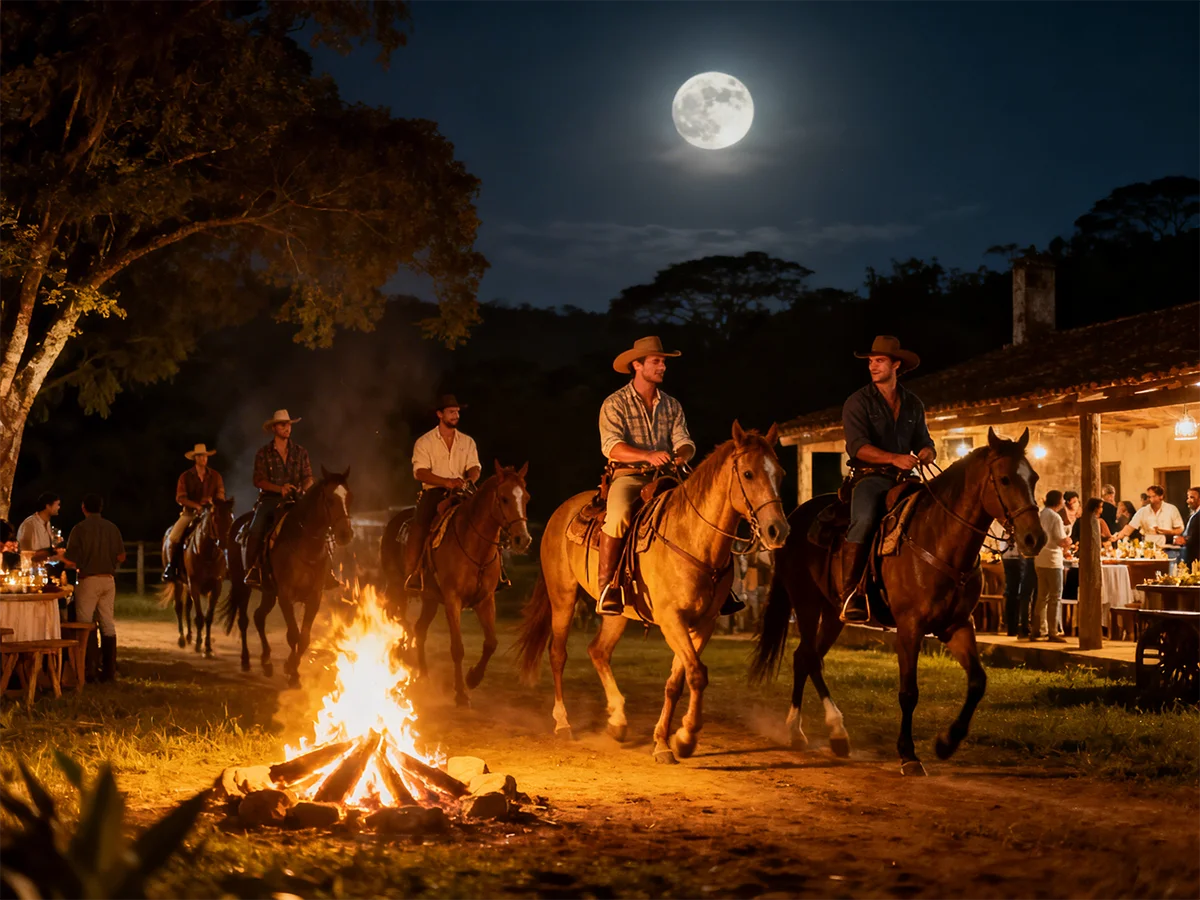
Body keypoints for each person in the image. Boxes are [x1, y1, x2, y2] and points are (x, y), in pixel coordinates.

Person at [597, 336, 696, 616]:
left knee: (703, 509)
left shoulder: (672, 405)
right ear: (637, 365)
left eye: (663, 362)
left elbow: (684, 440)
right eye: (657, 361)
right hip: (629, 477)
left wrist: (682, 455)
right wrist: (648, 455)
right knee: (617, 518)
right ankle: (608, 588)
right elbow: (611, 447)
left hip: (667, 476)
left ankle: (717, 585)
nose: (663, 366)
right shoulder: (615, 403)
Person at [839, 335, 936, 623]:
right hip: (870, 478)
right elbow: (858, 446)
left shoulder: (913, 404)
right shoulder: (857, 402)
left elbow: (924, 440)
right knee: (866, 519)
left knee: (937, 511)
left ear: (896, 364)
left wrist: (927, 451)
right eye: (870, 361)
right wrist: (894, 458)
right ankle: (851, 593)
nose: (872, 366)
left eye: (879, 360)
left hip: (907, 477)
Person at [404, 394, 482, 592]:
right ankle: (413, 573)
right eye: (451, 412)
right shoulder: (425, 442)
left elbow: (474, 467)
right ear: (440, 414)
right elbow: (420, 472)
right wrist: (446, 482)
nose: (456, 415)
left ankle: (495, 573)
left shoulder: (467, 442)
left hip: (463, 491)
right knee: (419, 526)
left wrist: (469, 480)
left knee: (487, 517)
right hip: (434, 492)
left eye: (457, 412)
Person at [245, 409, 313, 587]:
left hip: (296, 499)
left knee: (318, 524)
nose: (287, 428)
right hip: (270, 500)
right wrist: (279, 489)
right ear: (274, 428)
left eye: (289, 424)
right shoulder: (263, 453)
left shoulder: (300, 452)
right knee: (256, 528)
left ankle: (324, 569)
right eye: (283, 424)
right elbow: (258, 480)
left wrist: (303, 489)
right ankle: (253, 568)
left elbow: (308, 477)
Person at [61, 494, 125, 682]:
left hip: (88, 579)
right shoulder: (112, 528)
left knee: (85, 623)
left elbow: (71, 560)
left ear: (84, 508)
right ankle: (109, 671)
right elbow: (121, 556)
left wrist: (60, 558)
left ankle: (87, 669)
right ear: (101, 508)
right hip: (108, 580)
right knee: (107, 623)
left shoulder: (79, 529)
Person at [162, 444, 225, 582]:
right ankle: (172, 567)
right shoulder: (185, 476)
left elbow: (220, 493)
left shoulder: (215, 476)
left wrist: (214, 500)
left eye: (205, 456)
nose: (203, 458)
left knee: (224, 531)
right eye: (200, 456)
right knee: (174, 537)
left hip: (210, 513)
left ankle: (226, 566)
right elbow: (180, 497)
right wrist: (196, 505)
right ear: (195, 458)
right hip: (189, 513)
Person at [1031, 491, 1072, 643]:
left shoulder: (1041, 515)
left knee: (1042, 596)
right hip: (1053, 560)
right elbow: (1060, 540)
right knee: (1055, 596)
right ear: (1058, 501)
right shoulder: (1055, 517)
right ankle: (1053, 631)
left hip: (1040, 559)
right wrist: (1068, 541)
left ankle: (1037, 629)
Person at [993, 521, 1035, 638]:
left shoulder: (1005, 530)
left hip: (1009, 559)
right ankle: (1016, 626)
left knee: (1013, 593)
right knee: (1018, 594)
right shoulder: (1016, 529)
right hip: (1016, 559)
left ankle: (1013, 626)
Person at [1110, 484, 1183, 549]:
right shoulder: (1143, 511)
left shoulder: (1171, 509)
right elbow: (1129, 528)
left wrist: (1168, 532)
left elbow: (1180, 529)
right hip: (1149, 549)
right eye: (1148, 497)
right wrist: (1116, 536)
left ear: (1161, 496)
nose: (1150, 499)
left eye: (1153, 496)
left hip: (1168, 548)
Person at [17, 492, 64, 565]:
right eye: (57, 504)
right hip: (32, 570)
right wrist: (48, 552)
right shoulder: (29, 524)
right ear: (48, 506)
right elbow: (25, 552)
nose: (59, 507)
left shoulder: (48, 523)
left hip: (44, 568)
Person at [1173, 486, 1200, 567]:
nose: (1188, 501)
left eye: (1192, 497)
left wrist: (1185, 540)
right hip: (1189, 557)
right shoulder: (1194, 515)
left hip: (1196, 559)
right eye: (1188, 497)